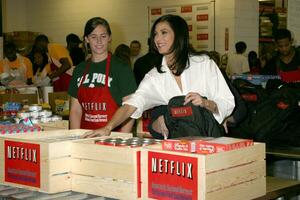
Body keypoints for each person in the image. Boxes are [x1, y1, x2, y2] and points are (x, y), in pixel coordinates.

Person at [82, 14, 235, 138]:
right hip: (178, 144)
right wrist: (108, 128)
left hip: (210, 141)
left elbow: (226, 101)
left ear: (179, 35)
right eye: (155, 34)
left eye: (164, 33)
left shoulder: (203, 64)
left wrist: (205, 103)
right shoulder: (155, 76)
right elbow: (132, 104)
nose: (157, 39)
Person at [68, 17, 137, 130]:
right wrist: (75, 138)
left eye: (103, 36)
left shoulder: (121, 68)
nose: (99, 41)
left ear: (109, 38)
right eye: (93, 37)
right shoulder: (79, 70)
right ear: (86, 39)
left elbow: (130, 109)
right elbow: (75, 110)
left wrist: (121, 140)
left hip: (113, 138)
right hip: (85, 137)